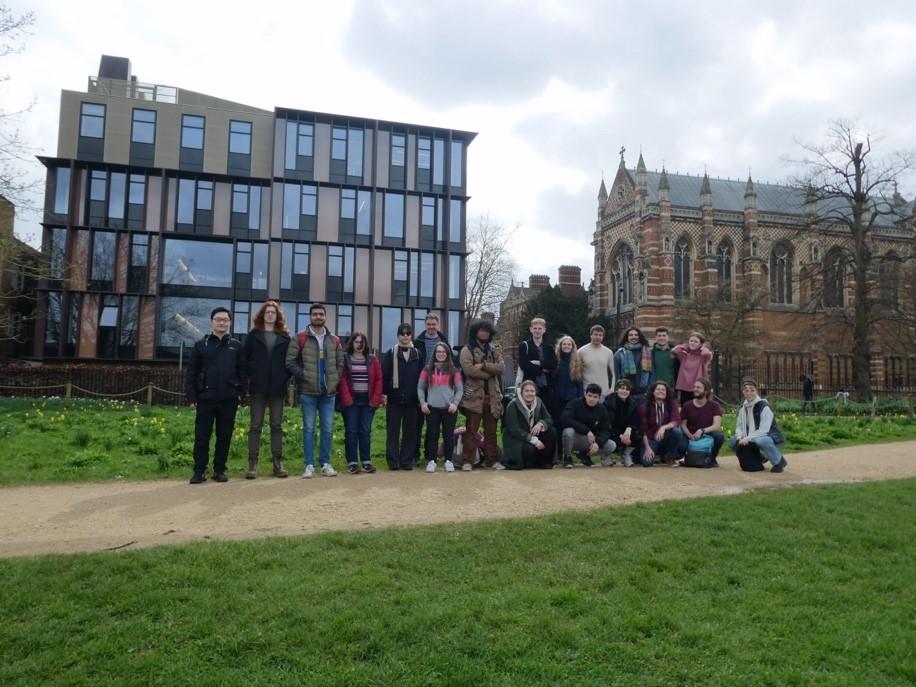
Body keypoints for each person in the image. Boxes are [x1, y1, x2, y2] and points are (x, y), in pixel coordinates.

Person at [186, 306, 246, 484]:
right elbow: (192, 373)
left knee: (224, 436)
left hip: (229, 398)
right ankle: (199, 471)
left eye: (225, 320)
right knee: (202, 436)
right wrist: (192, 397)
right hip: (205, 399)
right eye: (218, 319)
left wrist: (241, 393)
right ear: (211, 322)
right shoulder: (200, 345)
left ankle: (219, 470)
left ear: (229, 323)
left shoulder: (237, 346)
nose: (221, 322)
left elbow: (243, 372)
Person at [286, 303, 343, 478]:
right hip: (308, 392)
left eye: (321, 314)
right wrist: (305, 375)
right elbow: (290, 362)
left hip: (328, 393)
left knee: (327, 429)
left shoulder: (334, 339)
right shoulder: (300, 338)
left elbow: (340, 363)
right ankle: (309, 465)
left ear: (325, 317)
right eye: (315, 314)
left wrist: (334, 380)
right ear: (310, 316)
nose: (318, 317)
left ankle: (325, 463)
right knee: (308, 429)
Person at [243, 300, 291, 479]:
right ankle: (252, 464)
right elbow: (245, 360)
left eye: (273, 312)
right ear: (262, 315)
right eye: (267, 312)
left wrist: (284, 376)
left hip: (278, 389)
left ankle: (278, 464)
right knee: (255, 425)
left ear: (277, 316)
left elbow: (290, 362)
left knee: (276, 426)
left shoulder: (285, 337)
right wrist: (252, 376)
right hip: (258, 388)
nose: (270, 315)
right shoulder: (253, 335)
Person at [459, 319, 505, 471]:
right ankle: (467, 461)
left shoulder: (493, 350)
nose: (484, 333)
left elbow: (501, 367)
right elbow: (469, 370)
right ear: (476, 332)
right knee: (471, 431)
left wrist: (484, 365)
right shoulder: (467, 349)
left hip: (492, 397)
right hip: (473, 397)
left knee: (491, 432)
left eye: (487, 331)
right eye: (481, 330)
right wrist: (489, 374)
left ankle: (492, 461)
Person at [338, 332, 382, 474]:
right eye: (356, 342)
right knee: (351, 431)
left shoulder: (372, 360)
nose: (359, 344)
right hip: (351, 401)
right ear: (352, 343)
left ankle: (366, 461)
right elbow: (343, 379)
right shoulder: (346, 359)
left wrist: (375, 400)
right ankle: (352, 462)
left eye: (361, 342)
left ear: (365, 344)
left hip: (368, 402)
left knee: (365, 431)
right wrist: (347, 400)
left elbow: (378, 380)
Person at [418, 341, 463, 473]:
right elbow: (420, 388)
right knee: (432, 435)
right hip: (432, 408)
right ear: (435, 353)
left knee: (448, 435)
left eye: (443, 352)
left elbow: (460, 389)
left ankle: (449, 461)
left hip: (449, 409)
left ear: (447, 354)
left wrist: (455, 403)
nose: (441, 354)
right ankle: (432, 461)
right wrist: (423, 402)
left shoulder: (454, 370)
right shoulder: (427, 369)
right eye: (438, 352)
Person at [382, 323, 422, 471]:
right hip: (394, 398)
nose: (405, 336)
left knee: (410, 431)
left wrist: (420, 397)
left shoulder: (417, 354)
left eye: (408, 333)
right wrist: (384, 394)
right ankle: (393, 461)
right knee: (393, 431)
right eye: (402, 333)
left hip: (412, 399)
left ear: (411, 335)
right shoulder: (391, 353)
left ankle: (406, 461)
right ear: (398, 335)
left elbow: (421, 377)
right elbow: (385, 376)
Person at [412, 312, 450, 464]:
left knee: (432, 425)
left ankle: (430, 454)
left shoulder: (444, 341)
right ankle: (415, 454)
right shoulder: (417, 342)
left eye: (434, 324)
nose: (431, 327)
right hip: (422, 384)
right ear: (425, 325)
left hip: (439, 388)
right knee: (417, 423)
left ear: (438, 325)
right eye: (429, 324)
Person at [729, 378, 788, 473]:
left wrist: (747, 438)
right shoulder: (743, 408)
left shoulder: (764, 407)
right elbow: (739, 426)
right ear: (743, 392)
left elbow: (763, 430)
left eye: (752, 390)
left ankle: (778, 462)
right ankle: (761, 457)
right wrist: (740, 436)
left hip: (770, 437)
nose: (749, 393)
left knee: (760, 440)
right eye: (746, 390)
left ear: (756, 391)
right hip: (752, 436)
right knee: (733, 442)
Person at [502, 379, 557, 470]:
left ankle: (545, 462)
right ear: (522, 392)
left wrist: (541, 424)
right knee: (529, 449)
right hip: (516, 439)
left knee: (552, 432)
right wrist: (532, 439)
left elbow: (549, 419)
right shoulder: (513, 405)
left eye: (532, 391)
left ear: (535, 392)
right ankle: (527, 462)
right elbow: (513, 429)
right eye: (526, 391)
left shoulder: (538, 402)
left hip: (532, 433)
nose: (529, 393)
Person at [560, 383, 616, 468]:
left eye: (595, 397)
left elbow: (606, 430)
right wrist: (587, 431)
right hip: (574, 438)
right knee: (568, 432)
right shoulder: (575, 403)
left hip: (590, 441)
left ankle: (585, 456)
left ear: (599, 398)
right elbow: (565, 419)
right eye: (589, 396)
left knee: (611, 445)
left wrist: (598, 442)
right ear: (585, 395)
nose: (591, 399)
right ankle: (568, 457)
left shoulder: (602, 409)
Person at [679, 378, 724, 467]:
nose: (695, 389)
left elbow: (717, 425)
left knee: (719, 436)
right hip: (690, 435)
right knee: (681, 445)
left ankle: (711, 458)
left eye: (698, 387)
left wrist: (701, 431)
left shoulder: (714, 405)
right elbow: (683, 424)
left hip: (707, 435)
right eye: (694, 387)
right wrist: (689, 435)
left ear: (706, 391)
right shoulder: (687, 405)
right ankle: (686, 458)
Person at [639, 381, 684, 467]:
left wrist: (663, 428)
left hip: (666, 435)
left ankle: (670, 456)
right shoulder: (645, 406)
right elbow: (643, 430)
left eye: (663, 390)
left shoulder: (672, 403)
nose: (661, 391)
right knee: (647, 463)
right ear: (653, 392)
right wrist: (647, 448)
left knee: (677, 432)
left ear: (667, 392)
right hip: (651, 438)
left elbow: (676, 421)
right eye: (658, 389)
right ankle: (655, 454)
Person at [603, 379, 642, 467]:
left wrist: (629, 430)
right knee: (606, 435)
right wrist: (620, 435)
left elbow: (635, 420)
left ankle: (626, 454)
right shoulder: (607, 403)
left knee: (639, 433)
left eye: (627, 389)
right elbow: (606, 424)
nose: (624, 391)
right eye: (622, 388)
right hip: (611, 431)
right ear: (617, 389)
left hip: (626, 431)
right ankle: (606, 455)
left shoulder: (633, 403)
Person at [518, 317, 557, 400]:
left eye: (540, 328)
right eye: (535, 328)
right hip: (530, 387)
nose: (537, 331)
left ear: (544, 330)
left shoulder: (549, 347)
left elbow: (553, 364)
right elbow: (524, 364)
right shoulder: (524, 346)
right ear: (531, 329)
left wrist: (539, 363)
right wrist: (542, 370)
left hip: (547, 387)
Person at [672, 332, 714, 405]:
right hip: (685, 387)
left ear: (700, 344)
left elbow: (707, 354)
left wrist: (703, 347)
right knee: (685, 408)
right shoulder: (685, 356)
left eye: (696, 341)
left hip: (697, 387)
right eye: (691, 341)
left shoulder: (702, 357)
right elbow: (674, 350)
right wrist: (686, 346)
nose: (693, 343)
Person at [614, 327, 652, 401]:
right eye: (631, 335)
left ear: (640, 337)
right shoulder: (619, 354)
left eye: (636, 335)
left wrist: (650, 389)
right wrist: (618, 391)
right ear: (627, 337)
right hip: (626, 392)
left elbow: (651, 373)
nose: (633, 337)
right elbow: (617, 374)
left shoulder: (647, 352)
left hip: (643, 392)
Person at [578, 325, 616, 397]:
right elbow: (577, 372)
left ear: (603, 337)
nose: (598, 337)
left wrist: (612, 389)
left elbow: (613, 372)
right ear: (591, 335)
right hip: (587, 392)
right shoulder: (581, 351)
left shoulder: (608, 352)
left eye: (600, 335)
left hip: (604, 392)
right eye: (595, 334)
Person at [552, 335, 584, 421]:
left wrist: (580, 398)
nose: (566, 346)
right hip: (558, 398)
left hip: (573, 398)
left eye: (569, 344)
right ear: (560, 346)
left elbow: (579, 382)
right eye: (564, 344)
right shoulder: (555, 360)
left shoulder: (577, 361)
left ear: (572, 347)